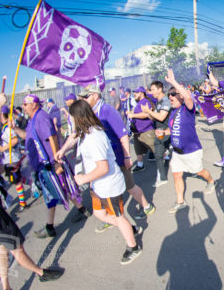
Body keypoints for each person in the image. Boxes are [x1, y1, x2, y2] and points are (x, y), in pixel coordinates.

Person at [0, 93, 63, 289]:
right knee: (15, 245)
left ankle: (5, 286)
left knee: (1, 246)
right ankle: (41, 272)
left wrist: (5, 169)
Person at [59, 85, 155, 226]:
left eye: (86, 97)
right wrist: (63, 149)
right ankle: (112, 218)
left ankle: (146, 206)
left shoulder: (107, 110)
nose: (83, 100)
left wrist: (128, 157)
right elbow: (76, 134)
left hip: (116, 158)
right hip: (99, 162)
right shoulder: (90, 114)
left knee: (130, 186)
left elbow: (123, 135)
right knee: (102, 192)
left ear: (95, 95)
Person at [65, 99, 142, 264]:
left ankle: (133, 246)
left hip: (109, 185)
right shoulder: (85, 132)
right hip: (98, 185)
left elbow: (103, 168)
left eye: (71, 117)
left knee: (118, 216)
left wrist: (83, 179)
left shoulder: (94, 136)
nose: (70, 120)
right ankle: (130, 228)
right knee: (100, 214)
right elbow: (74, 138)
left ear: (78, 117)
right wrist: (62, 150)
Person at [13, 94, 90, 238]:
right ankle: (81, 210)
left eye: (25, 104)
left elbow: (52, 137)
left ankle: (50, 226)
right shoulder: (33, 119)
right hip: (43, 165)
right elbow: (27, 136)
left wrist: (56, 162)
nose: (23, 106)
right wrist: (15, 129)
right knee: (60, 190)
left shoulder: (41, 117)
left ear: (34, 104)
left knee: (58, 191)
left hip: (50, 164)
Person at [163, 69, 216, 213]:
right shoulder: (172, 112)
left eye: (173, 94)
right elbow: (172, 130)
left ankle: (211, 181)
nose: (170, 97)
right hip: (177, 153)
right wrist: (163, 132)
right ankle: (180, 201)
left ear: (180, 96)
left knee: (199, 171)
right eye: (169, 95)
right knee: (177, 175)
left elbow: (187, 96)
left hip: (191, 151)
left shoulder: (188, 108)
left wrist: (173, 82)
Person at [141, 81, 172, 187]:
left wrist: (149, 112)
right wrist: (148, 113)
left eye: (153, 89)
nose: (151, 92)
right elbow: (155, 118)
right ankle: (162, 177)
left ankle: (195, 169)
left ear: (160, 89)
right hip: (159, 131)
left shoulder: (165, 101)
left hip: (167, 131)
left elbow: (162, 117)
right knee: (158, 155)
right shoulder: (158, 102)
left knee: (160, 154)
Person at [0, 106, 27, 212]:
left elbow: (14, 140)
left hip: (12, 158)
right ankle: (33, 183)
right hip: (7, 158)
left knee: (16, 180)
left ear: (2, 114)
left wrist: (3, 148)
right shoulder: (3, 127)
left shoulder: (8, 127)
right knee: (18, 179)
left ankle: (23, 203)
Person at [127, 87, 156, 172]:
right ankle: (140, 165)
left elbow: (146, 114)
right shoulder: (139, 103)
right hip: (137, 131)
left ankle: (165, 159)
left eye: (136, 92)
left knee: (155, 148)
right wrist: (131, 113)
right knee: (138, 150)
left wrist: (133, 115)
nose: (134, 94)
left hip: (146, 130)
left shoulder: (145, 102)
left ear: (141, 93)